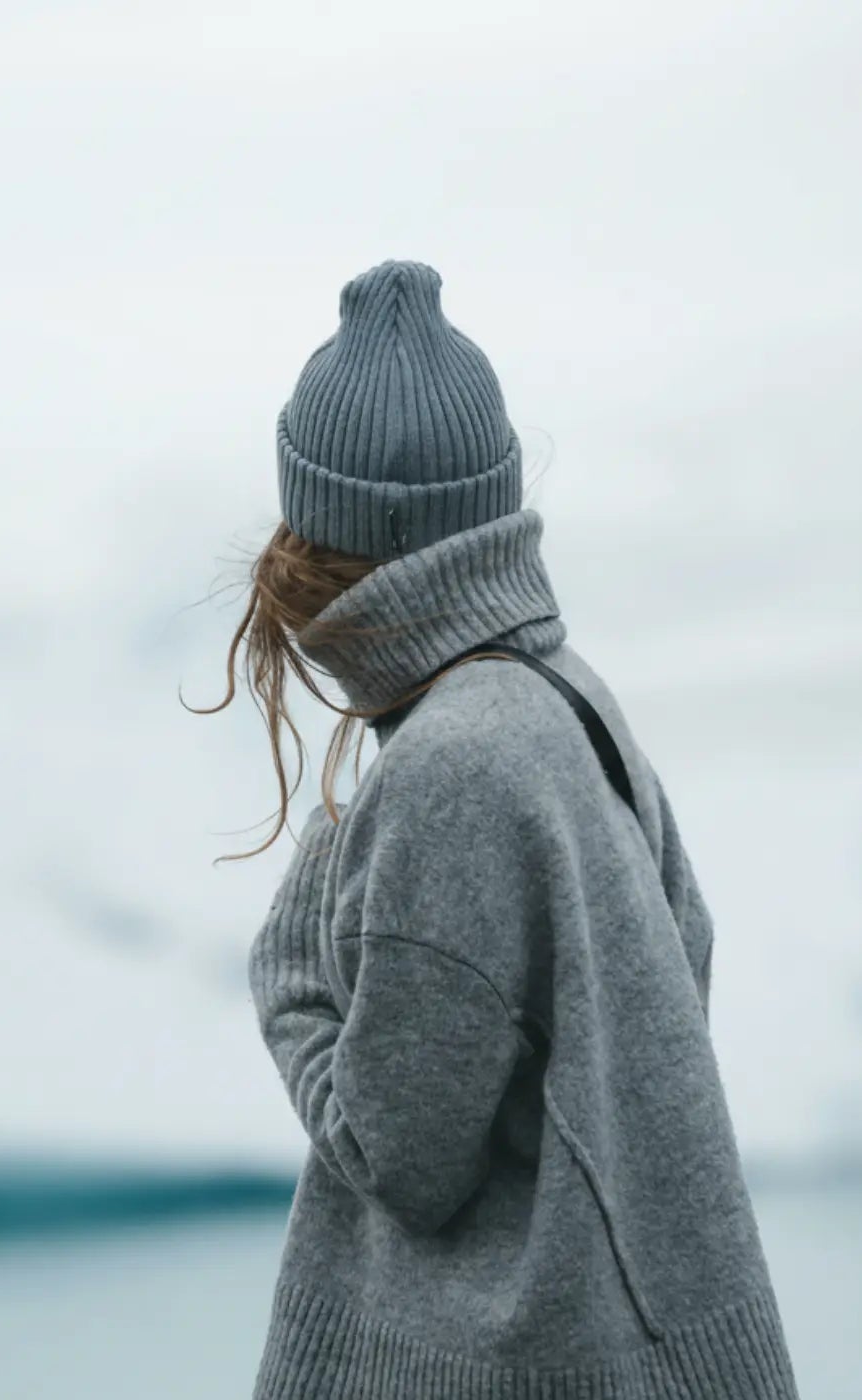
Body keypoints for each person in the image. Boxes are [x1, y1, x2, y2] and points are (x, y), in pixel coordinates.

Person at [203, 258, 800, 1399]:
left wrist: (290, 975)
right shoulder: (563, 694)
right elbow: (690, 957)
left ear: (323, 528)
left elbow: (404, 1156)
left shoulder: (452, 764)